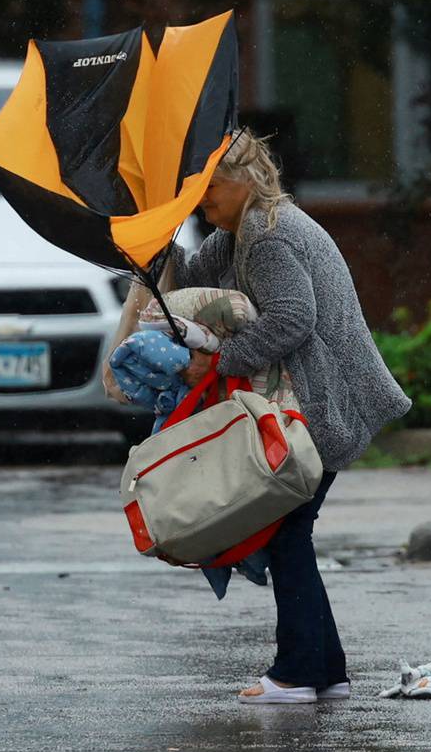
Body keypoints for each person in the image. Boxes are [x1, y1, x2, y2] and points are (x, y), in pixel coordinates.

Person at [163, 131, 411, 704]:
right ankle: (323, 670)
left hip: (323, 402)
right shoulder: (240, 233)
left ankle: (301, 672)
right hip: (315, 401)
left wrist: (219, 362)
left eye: (209, 187)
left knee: (287, 532)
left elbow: (293, 319)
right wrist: (154, 241)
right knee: (290, 531)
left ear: (246, 180)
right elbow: (194, 280)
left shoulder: (269, 237)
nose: (201, 199)